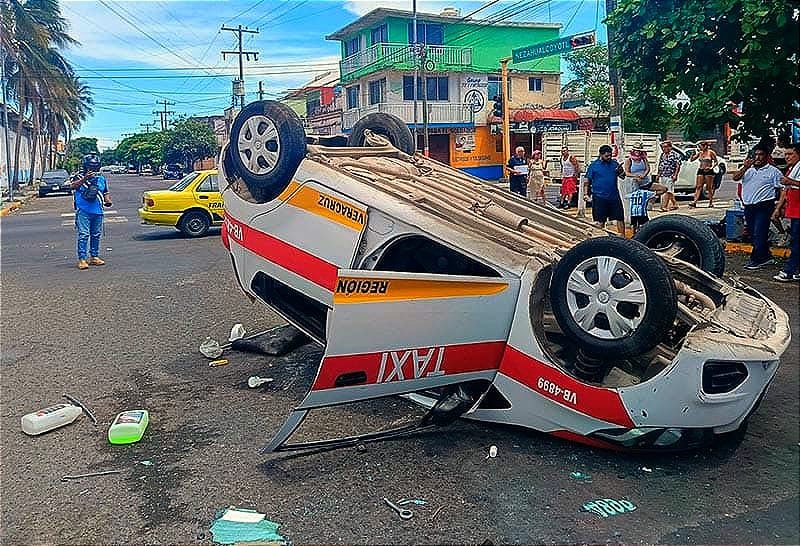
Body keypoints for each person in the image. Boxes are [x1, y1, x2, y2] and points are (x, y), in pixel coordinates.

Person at [732, 145, 783, 270]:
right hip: (749, 206)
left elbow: (783, 189)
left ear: (766, 156)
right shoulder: (748, 170)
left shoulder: (773, 171)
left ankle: (755, 259)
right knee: (752, 233)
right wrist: (745, 167)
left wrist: (779, 207)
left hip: (764, 205)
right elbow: (735, 178)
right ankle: (766, 256)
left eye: (761, 155)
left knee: (759, 232)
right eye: (756, 155)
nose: (758, 157)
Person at [70, 153, 112, 270]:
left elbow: (105, 192)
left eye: (95, 167)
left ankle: (94, 256)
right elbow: (72, 186)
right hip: (83, 210)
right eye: (90, 167)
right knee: (83, 235)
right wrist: (85, 178)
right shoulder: (78, 177)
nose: (92, 169)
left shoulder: (101, 178)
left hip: (98, 211)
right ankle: (82, 259)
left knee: (96, 234)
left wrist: (107, 200)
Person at [772, 143, 800, 281]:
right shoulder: (792, 169)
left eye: (790, 154)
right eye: (786, 154)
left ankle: (789, 271)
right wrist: (778, 208)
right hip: (794, 210)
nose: (787, 157)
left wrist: (791, 181)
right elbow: (785, 190)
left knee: (796, 242)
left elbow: (791, 183)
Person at [584, 145, 625, 236]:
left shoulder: (614, 164)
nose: (609, 157)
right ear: (601, 155)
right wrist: (586, 194)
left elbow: (623, 176)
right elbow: (587, 181)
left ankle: (623, 238)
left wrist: (620, 171)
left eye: (610, 155)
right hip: (599, 197)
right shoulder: (593, 166)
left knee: (620, 218)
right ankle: (600, 239)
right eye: (607, 156)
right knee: (600, 221)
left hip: (614, 196)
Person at [689, 141, 719, 208]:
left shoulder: (711, 152)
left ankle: (711, 202)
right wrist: (692, 154)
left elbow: (716, 162)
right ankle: (694, 202)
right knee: (698, 186)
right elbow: (692, 160)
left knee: (709, 187)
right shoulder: (700, 153)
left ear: (705, 146)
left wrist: (711, 167)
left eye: (701, 147)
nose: (700, 148)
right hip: (701, 170)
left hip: (708, 171)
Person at [657, 140, 681, 211]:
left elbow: (677, 166)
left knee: (668, 190)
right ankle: (675, 204)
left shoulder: (675, 155)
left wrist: (675, 175)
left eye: (665, 147)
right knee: (667, 190)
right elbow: (660, 164)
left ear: (670, 147)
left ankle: (664, 206)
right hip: (663, 175)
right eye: (663, 147)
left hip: (670, 175)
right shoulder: (662, 155)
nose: (664, 148)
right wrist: (658, 174)